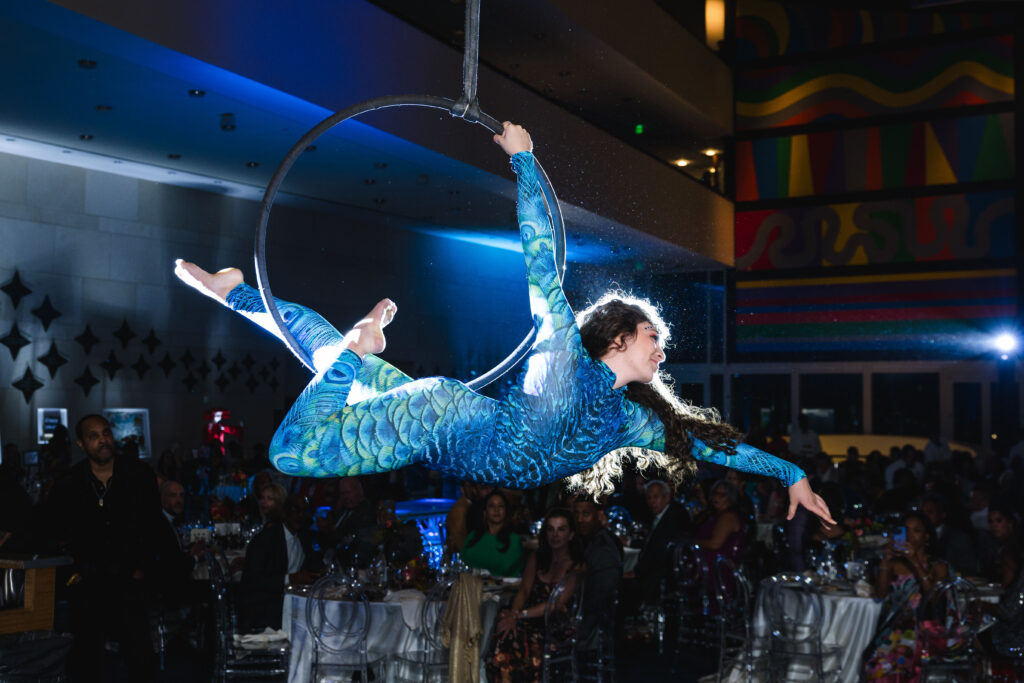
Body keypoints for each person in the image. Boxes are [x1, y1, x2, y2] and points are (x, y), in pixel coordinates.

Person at [172, 123, 833, 528]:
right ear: (621, 337)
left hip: (446, 428)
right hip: (441, 419)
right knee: (290, 452)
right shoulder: (565, 354)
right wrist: (523, 160)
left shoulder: (631, 421)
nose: (664, 349)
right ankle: (355, 344)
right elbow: (541, 260)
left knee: (325, 361)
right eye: (654, 336)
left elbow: (714, 447)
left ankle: (241, 297)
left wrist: (789, 473)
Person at [39, 414, 162, 683]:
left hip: (130, 581)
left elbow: (154, 527)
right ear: (82, 444)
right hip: (88, 585)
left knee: (141, 659)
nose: (103, 440)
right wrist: (74, 575)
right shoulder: (69, 484)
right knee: (85, 662)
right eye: (94, 436)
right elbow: (50, 533)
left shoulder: (138, 476)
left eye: (105, 432)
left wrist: (142, 568)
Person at [486, 508, 584, 683]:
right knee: (505, 631)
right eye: (550, 529)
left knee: (515, 638)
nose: (555, 534)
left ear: (571, 534)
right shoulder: (537, 558)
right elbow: (524, 590)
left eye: (561, 529)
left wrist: (518, 615)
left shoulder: (576, 565)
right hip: (527, 619)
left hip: (555, 625)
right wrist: (513, 615)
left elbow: (554, 604)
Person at [864, 512, 950, 682]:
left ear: (927, 537)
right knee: (876, 666)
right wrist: (886, 560)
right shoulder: (895, 565)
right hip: (893, 631)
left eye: (916, 530)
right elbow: (880, 594)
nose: (910, 535)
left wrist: (914, 561)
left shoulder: (938, 566)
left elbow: (935, 598)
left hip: (925, 632)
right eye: (906, 530)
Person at [239, 494, 322, 632]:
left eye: (304, 511)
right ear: (284, 513)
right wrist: (290, 579)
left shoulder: (305, 537)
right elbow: (252, 581)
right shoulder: (265, 540)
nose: (301, 516)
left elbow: (314, 563)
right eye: (296, 510)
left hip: (293, 604)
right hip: (265, 608)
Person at [623, 480, 689, 605]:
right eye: (648, 498)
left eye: (655, 497)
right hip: (658, 570)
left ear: (667, 497)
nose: (651, 501)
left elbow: (659, 550)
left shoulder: (673, 515)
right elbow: (652, 542)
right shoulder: (663, 514)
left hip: (664, 574)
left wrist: (637, 572)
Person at [573, 498, 622, 648]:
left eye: (586, 514)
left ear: (599, 515)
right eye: (576, 514)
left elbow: (600, 597)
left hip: (590, 624)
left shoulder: (602, 547)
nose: (580, 519)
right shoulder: (583, 540)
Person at [461, 490, 524, 577]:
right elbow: (462, 562)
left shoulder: (514, 539)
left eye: (500, 506)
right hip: (470, 586)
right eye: (491, 506)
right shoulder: (473, 535)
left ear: (506, 511)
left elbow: (509, 569)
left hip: (503, 588)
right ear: (485, 512)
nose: (496, 509)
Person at [980, 502, 1022, 589]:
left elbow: (1008, 585)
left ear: (1010, 523)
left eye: (999, 520)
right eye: (990, 521)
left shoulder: (1011, 549)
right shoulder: (994, 545)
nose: (994, 525)